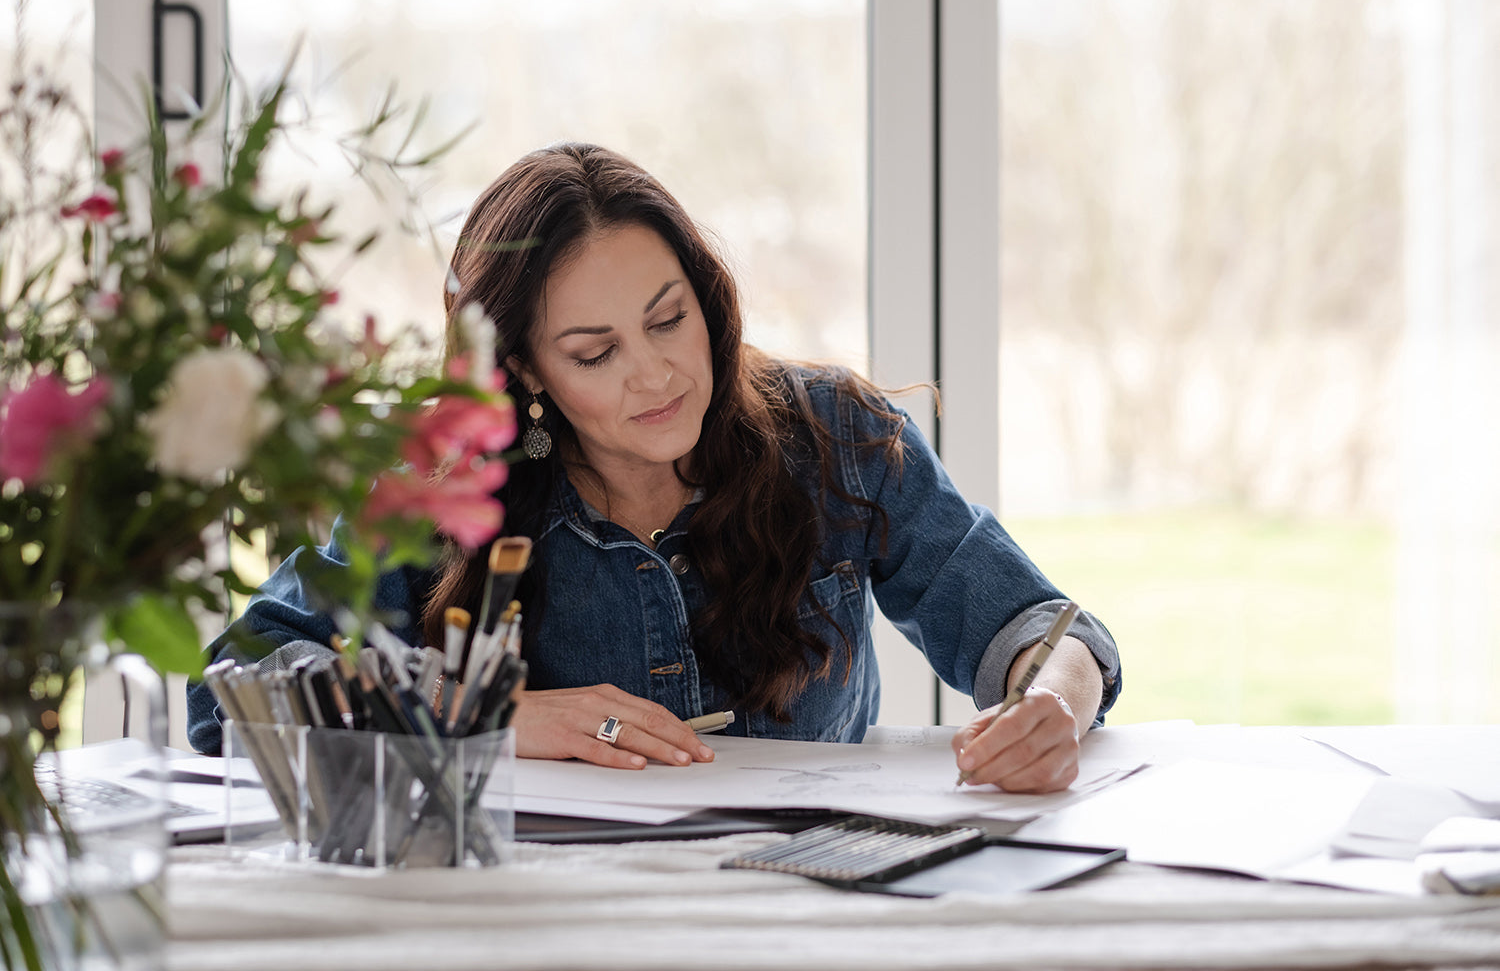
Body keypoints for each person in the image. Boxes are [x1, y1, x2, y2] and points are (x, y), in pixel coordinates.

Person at [188, 143, 1121, 793]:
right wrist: (490, 717)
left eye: (669, 318)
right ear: (525, 373)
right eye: (595, 353)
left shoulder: (837, 434)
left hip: (806, 918)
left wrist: (1052, 705)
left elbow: (1043, 627)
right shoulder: (447, 478)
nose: (658, 373)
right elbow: (236, 683)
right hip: (547, 932)